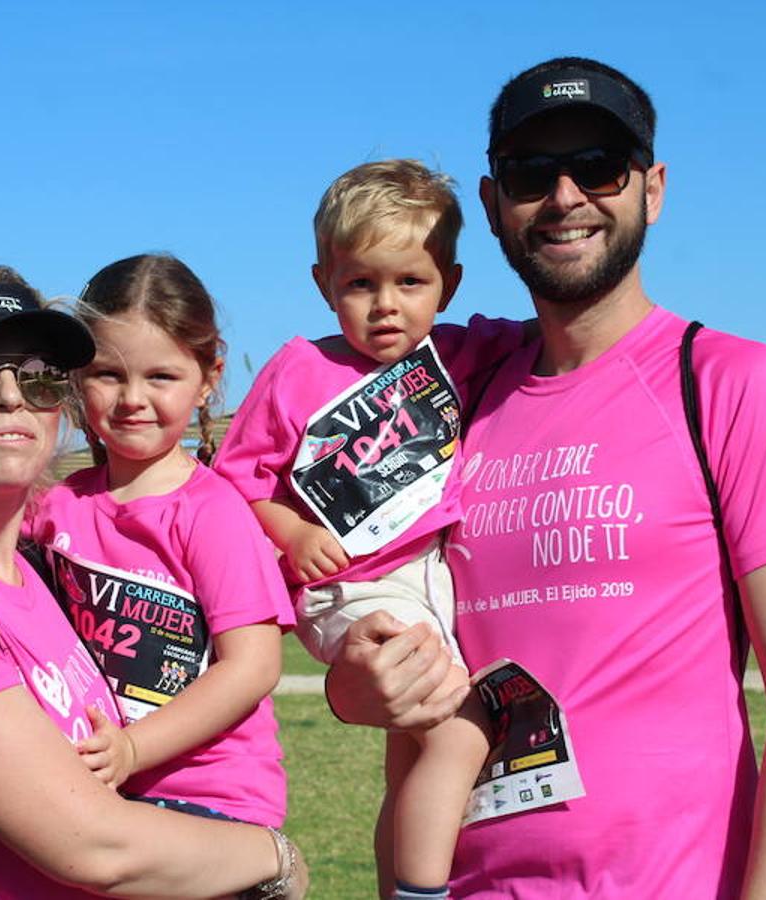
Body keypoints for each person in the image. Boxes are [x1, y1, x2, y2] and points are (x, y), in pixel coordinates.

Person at [325, 57, 766, 898]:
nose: (566, 196)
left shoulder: (727, 382)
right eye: (533, 174)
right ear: (495, 208)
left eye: (598, 167)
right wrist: (355, 686)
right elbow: (396, 657)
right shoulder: (451, 400)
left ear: (652, 187)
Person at [0, 266, 305, 898]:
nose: (12, 397)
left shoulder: (33, 570)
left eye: (38, 378)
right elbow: (97, 848)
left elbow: (252, 663)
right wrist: (277, 859)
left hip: (208, 805)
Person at [215, 160, 524, 898]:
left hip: (432, 576)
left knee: (411, 757)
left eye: (409, 283)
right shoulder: (296, 370)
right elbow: (233, 483)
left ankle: (393, 887)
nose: (385, 306)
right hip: (350, 585)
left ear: (447, 282)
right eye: (361, 284)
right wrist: (290, 531)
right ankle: (424, 890)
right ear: (324, 282)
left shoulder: (458, 353)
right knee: (456, 727)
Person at [25, 254, 296, 828]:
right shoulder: (52, 506)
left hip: (211, 798)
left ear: (208, 379)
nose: (132, 399)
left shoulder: (213, 512)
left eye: (161, 376)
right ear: (77, 377)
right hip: (92, 792)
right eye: (108, 374)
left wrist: (134, 749)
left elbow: (252, 667)